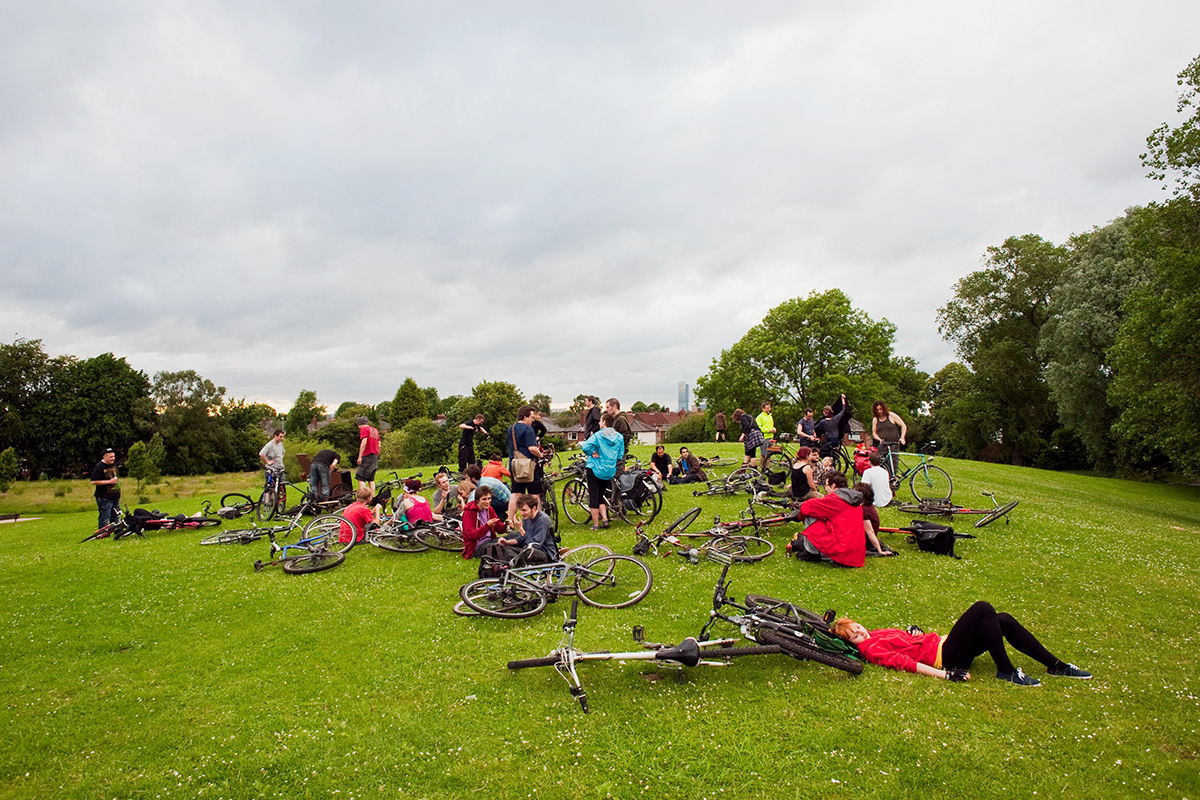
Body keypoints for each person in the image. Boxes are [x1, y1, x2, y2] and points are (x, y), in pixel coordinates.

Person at [831, 602, 1092, 685]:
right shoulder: (871, 649)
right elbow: (905, 663)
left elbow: (906, 644)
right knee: (982, 609)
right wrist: (945, 675)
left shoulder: (875, 634)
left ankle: (1055, 665)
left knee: (1003, 620)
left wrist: (915, 634)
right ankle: (1007, 671)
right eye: (855, 635)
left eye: (858, 627)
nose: (861, 633)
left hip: (944, 644)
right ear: (854, 645)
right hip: (946, 655)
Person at [793, 471, 865, 567]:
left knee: (810, 516)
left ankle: (811, 553)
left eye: (826, 485)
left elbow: (806, 507)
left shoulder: (836, 500)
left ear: (834, 486)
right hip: (856, 552)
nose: (825, 488)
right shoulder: (853, 500)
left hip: (842, 552)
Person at [579, 412, 624, 530]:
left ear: (604, 422)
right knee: (601, 496)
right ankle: (605, 519)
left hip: (595, 468)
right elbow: (620, 454)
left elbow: (585, 447)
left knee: (594, 497)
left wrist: (591, 453)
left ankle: (595, 524)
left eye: (600, 421)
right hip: (609, 470)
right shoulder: (619, 437)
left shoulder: (598, 436)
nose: (599, 423)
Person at [498, 494, 558, 564]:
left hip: (544, 552)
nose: (521, 513)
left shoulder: (543, 520)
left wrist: (520, 529)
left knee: (526, 553)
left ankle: (514, 561)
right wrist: (507, 542)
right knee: (505, 548)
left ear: (534, 508)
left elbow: (535, 545)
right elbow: (521, 539)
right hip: (528, 548)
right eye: (520, 510)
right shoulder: (526, 518)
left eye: (524, 510)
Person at [460, 484, 505, 558]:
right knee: (500, 547)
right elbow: (469, 535)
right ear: (477, 500)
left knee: (512, 538)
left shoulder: (489, 509)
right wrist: (487, 526)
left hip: (490, 540)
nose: (487, 502)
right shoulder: (469, 512)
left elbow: (499, 528)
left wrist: (506, 526)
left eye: (489, 498)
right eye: (484, 499)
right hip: (478, 546)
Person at [507, 405, 543, 496]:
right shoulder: (528, 429)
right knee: (535, 495)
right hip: (528, 466)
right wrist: (541, 455)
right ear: (525, 417)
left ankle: (511, 511)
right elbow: (532, 448)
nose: (533, 420)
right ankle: (536, 510)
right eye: (531, 417)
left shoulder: (511, 428)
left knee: (516, 494)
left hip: (515, 465)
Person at [855, 482, 895, 557]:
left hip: (866, 543)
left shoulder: (863, 512)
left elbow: (870, 532)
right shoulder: (869, 507)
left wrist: (879, 550)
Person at [871, 401, 907, 475]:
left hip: (893, 442)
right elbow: (874, 433)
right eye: (877, 410)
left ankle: (893, 477)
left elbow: (903, 426)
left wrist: (902, 437)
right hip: (883, 443)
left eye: (880, 409)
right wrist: (879, 439)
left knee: (893, 461)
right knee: (878, 460)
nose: (879, 411)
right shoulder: (875, 419)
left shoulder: (891, 416)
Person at [90, 448, 121, 530]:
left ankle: (117, 531)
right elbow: (93, 481)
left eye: (113, 456)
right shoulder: (99, 466)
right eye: (110, 457)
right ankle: (103, 532)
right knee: (105, 516)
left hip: (115, 495)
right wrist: (109, 482)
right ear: (104, 457)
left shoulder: (113, 465)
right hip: (104, 496)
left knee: (116, 515)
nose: (113, 458)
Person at [356, 417, 380, 496]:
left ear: (360, 425)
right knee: (371, 479)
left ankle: (364, 498)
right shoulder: (375, 430)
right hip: (375, 456)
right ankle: (372, 498)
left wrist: (360, 456)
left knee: (360, 477)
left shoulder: (364, 429)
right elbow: (379, 444)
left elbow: (364, 442)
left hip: (367, 456)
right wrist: (377, 454)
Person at [605, 398, 632, 467]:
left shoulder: (621, 420)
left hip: (619, 454)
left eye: (608, 407)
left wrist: (619, 450)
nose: (606, 410)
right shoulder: (616, 419)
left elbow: (625, 436)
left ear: (614, 407)